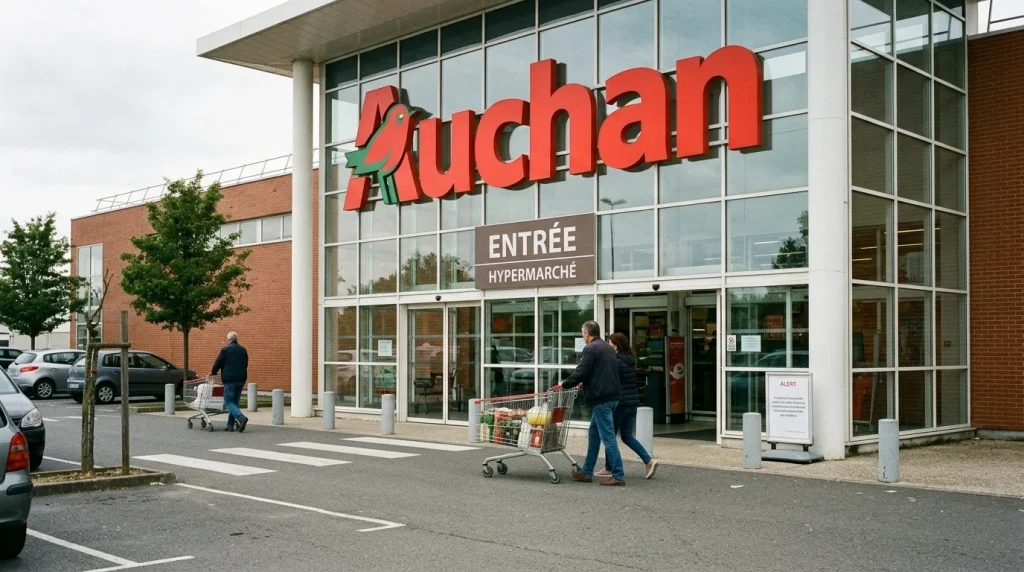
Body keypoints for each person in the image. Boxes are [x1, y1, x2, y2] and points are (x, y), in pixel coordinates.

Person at [555, 320, 625, 486]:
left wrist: (565, 384)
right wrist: (584, 382)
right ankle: (586, 472)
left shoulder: (591, 348)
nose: (582, 336)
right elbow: (600, 371)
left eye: (583, 333)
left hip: (601, 398)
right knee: (594, 434)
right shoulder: (607, 347)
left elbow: (582, 370)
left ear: (587, 333)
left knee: (608, 437)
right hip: (613, 396)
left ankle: (618, 475)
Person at [596, 332, 659, 480]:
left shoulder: (616, 362)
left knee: (609, 436)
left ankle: (609, 468)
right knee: (627, 436)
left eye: (610, 344)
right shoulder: (630, 360)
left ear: (616, 346)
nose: (608, 347)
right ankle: (648, 461)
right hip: (632, 403)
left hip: (620, 403)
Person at [211, 331, 249, 433]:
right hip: (241, 379)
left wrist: (213, 372)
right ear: (236, 339)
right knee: (234, 402)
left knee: (228, 401)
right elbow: (246, 364)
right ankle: (230, 425)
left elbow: (218, 362)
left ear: (229, 339)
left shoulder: (225, 349)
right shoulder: (243, 350)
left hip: (229, 379)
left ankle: (241, 418)